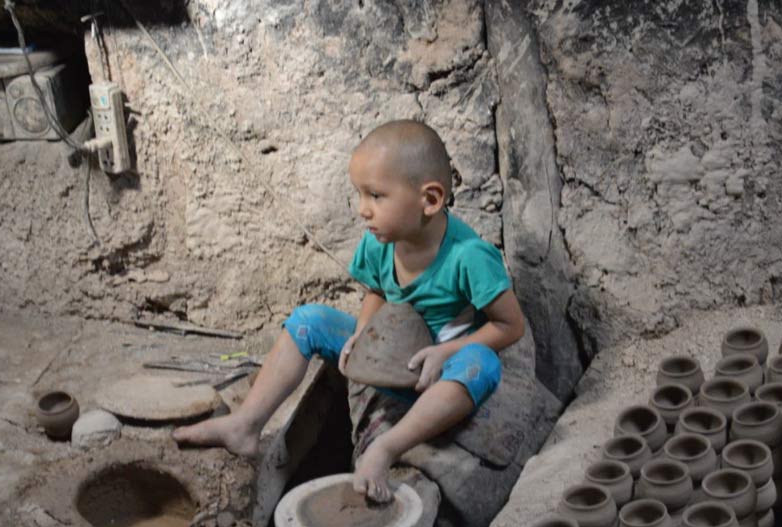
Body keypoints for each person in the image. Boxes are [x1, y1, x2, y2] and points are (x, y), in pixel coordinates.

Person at [173, 119, 525, 504]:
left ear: (430, 199)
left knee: (483, 364)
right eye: (359, 194)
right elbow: (375, 290)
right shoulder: (380, 243)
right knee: (307, 321)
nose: (362, 210)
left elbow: (510, 326)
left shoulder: (469, 257)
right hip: (390, 358)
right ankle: (245, 425)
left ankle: (386, 448)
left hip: (437, 375)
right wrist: (362, 334)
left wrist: (445, 352)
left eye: (375, 196)